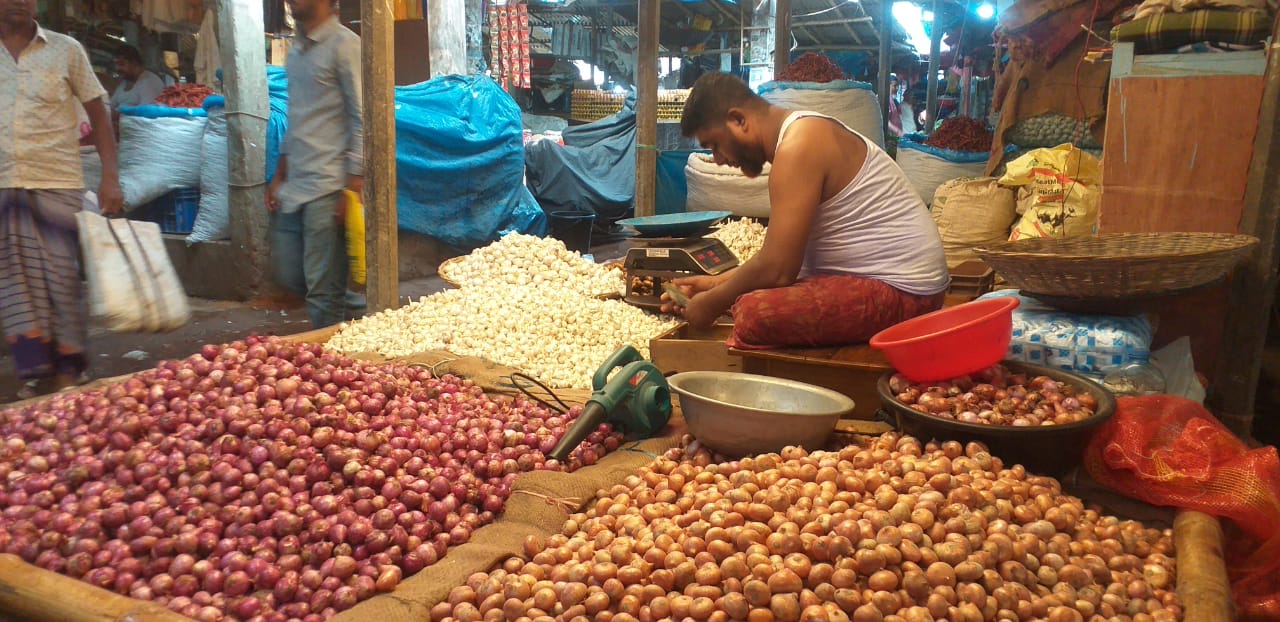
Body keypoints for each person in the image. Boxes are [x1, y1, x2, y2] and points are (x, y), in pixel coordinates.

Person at [663, 72, 949, 349]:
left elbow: (778, 270)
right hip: (893, 285)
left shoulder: (799, 145)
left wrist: (710, 305)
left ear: (738, 119)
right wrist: (712, 285)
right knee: (745, 296)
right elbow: (784, 260)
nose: (718, 160)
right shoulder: (801, 134)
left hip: (907, 295)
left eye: (715, 145)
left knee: (754, 313)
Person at [1, 0, 124, 398]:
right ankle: (36, 370)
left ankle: (70, 369)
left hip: (57, 181)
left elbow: (99, 114)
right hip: (4, 185)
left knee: (62, 280)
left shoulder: (66, 49)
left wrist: (110, 177)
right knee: (15, 285)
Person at [265, 0, 365, 329]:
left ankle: (335, 366)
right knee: (291, 275)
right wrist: (279, 174)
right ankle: (363, 316)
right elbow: (296, 118)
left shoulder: (345, 45)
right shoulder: (296, 52)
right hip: (297, 184)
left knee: (321, 292)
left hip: (329, 184)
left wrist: (353, 184)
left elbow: (362, 118)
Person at [109, 45, 165, 111]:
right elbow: (110, 106)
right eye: (115, 64)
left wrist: (116, 116)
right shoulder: (125, 82)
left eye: (121, 64)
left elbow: (146, 114)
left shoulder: (149, 82)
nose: (117, 68)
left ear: (135, 63)